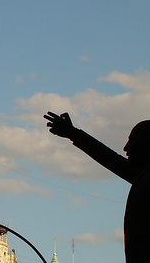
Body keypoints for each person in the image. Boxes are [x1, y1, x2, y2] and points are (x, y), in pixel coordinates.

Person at [44, 111, 150, 262]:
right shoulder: (143, 176)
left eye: (133, 141)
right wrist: (72, 133)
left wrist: (73, 133)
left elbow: (113, 161)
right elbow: (112, 160)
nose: (126, 148)